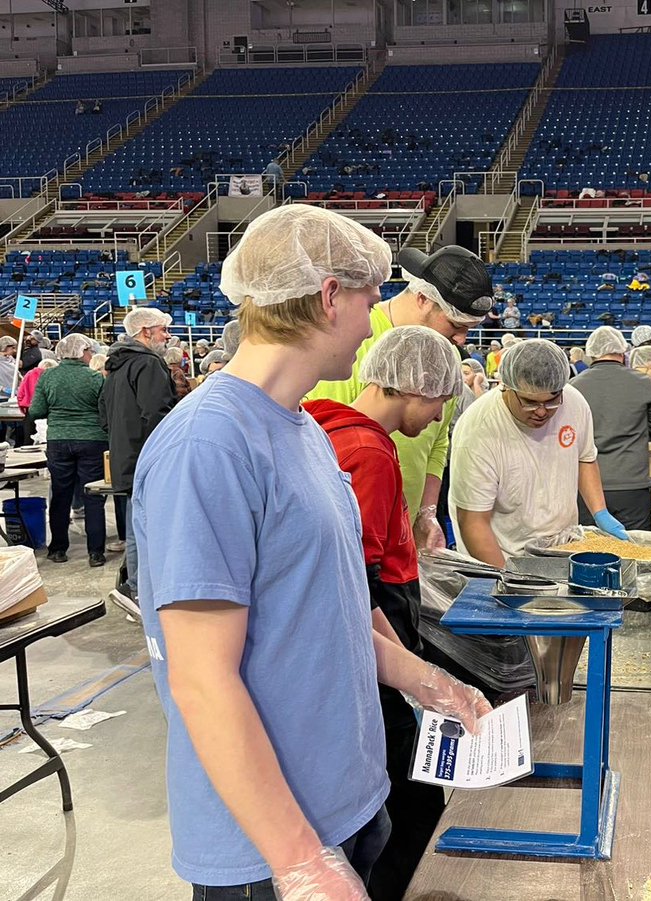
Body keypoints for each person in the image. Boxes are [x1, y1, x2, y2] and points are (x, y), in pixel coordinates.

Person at [134, 204, 488, 901]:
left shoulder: (304, 430)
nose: (374, 317)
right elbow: (202, 679)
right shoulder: (208, 445)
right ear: (329, 297)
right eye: (368, 297)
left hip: (345, 804)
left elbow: (335, 604)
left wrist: (421, 677)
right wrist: (297, 857)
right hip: (272, 844)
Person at [304, 326, 490, 898]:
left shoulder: (321, 427)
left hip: (363, 636)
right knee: (411, 804)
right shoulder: (368, 453)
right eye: (438, 401)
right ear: (412, 387)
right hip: (370, 636)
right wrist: (410, 670)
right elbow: (355, 582)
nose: (437, 418)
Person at [308, 244, 492, 552]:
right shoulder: (358, 341)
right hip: (355, 534)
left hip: (399, 535)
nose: (461, 340)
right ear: (422, 299)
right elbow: (329, 448)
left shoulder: (443, 356)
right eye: (455, 325)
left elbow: (438, 442)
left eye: (469, 330)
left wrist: (426, 512)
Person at [450, 339, 629, 566]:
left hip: (563, 547)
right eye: (530, 402)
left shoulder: (574, 403)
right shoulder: (479, 429)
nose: (542, 412)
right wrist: (508, 578)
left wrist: (600, 512)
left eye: (552, 400)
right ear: (506, 386)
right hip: (504, 552)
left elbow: (585, 458)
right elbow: (473, 522)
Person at [100, 306, 176, 614]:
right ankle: (143, 593)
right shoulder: (147, 364)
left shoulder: (116, 367)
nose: (168, 336)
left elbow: (103, 417)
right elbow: (157, 415)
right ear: (145, 333)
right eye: (163, 330)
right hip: (150, 460)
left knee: (135, 529)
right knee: (149, 530)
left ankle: (134, 588)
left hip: (126, 458)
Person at [572, 326, 651, 531]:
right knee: (636, 552)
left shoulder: (573, 387)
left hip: (586, 486)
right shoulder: (642, 383)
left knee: (589, 551)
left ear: (591, 352)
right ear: (623, 350)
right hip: (632, 484)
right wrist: (639, 431)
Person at [27, 334, 106, 565]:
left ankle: (58, 548)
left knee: (61, 494)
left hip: (58, 440)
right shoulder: (95, 377)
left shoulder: (48, 377)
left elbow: (37, 410)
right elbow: (105, 411)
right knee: (93, 494)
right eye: (89, 351)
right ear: (82, 352)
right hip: (92, 440)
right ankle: (96, 552)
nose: (91, 355)